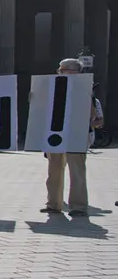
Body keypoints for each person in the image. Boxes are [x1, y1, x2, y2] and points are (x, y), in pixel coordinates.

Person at [41, 58, 96, 217]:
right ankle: (53, 203)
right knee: (54, 170)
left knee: (77, 171)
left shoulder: (84, 87)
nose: (66, 73)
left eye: (71, 71)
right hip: (55, 133)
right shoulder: (51, 86)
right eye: (65, 70)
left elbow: (92, 112)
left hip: (77, 133)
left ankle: (78, 206)